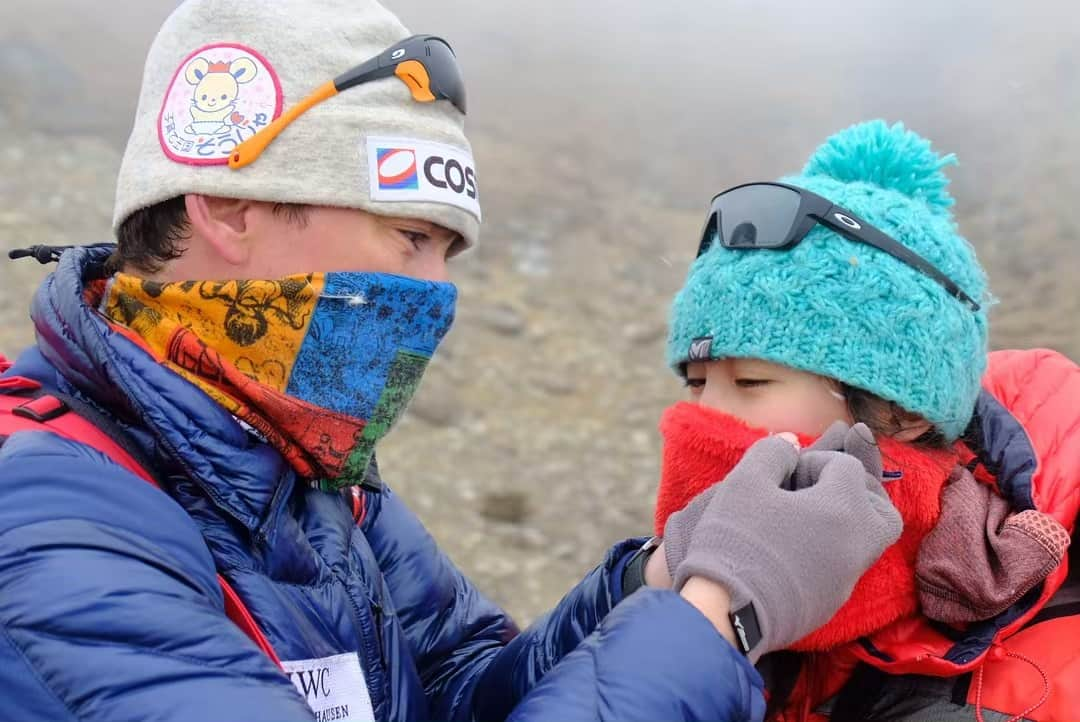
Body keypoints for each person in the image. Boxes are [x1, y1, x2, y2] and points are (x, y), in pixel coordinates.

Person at [0, 2, 902, 721]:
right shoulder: (53, 530)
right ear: (232, 210)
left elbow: (463, 690)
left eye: (448, 254)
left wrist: (656, 578)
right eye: (409, 240)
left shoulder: (307, 473)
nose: (435, 295)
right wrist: (720, 616)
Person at [638, 120, 1080, 721]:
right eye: (695, 383)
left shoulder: (1036, 686)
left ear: (900, 413)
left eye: (751, 382)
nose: (704, 417)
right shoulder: (661, 576)